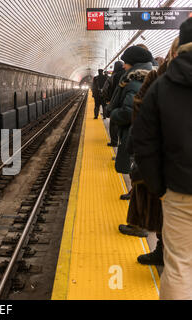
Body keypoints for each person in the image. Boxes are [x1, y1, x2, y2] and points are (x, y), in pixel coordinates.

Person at [132, 18, 192, 300]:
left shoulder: (161, 86)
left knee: (179, 265)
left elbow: (144, 140)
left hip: (180, 190)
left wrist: (160, 187)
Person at [121, 37, 180, 265]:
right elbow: (139, 108)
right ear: (173, 52)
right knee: (163, 207)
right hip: (161, 155)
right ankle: (162, 250)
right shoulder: (156, 77)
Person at [108, 45, 153, 202]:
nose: (124, 66)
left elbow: (129, 111)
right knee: (140, 170)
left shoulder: (134, 82)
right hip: (145, 132)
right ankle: (135, 197)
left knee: (138, 170)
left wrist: (113, 114)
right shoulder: (148, 76)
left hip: (138, 133)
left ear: (133, 64)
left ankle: (140, 217)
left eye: (126, 62)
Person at [103, 61, 125, 147]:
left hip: (114, 102)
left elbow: (105, 89)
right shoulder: (127, 75)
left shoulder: (113, 76)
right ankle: (123, 142)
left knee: (113, 122)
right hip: (124, 102)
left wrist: (108, 99)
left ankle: (114, 142)